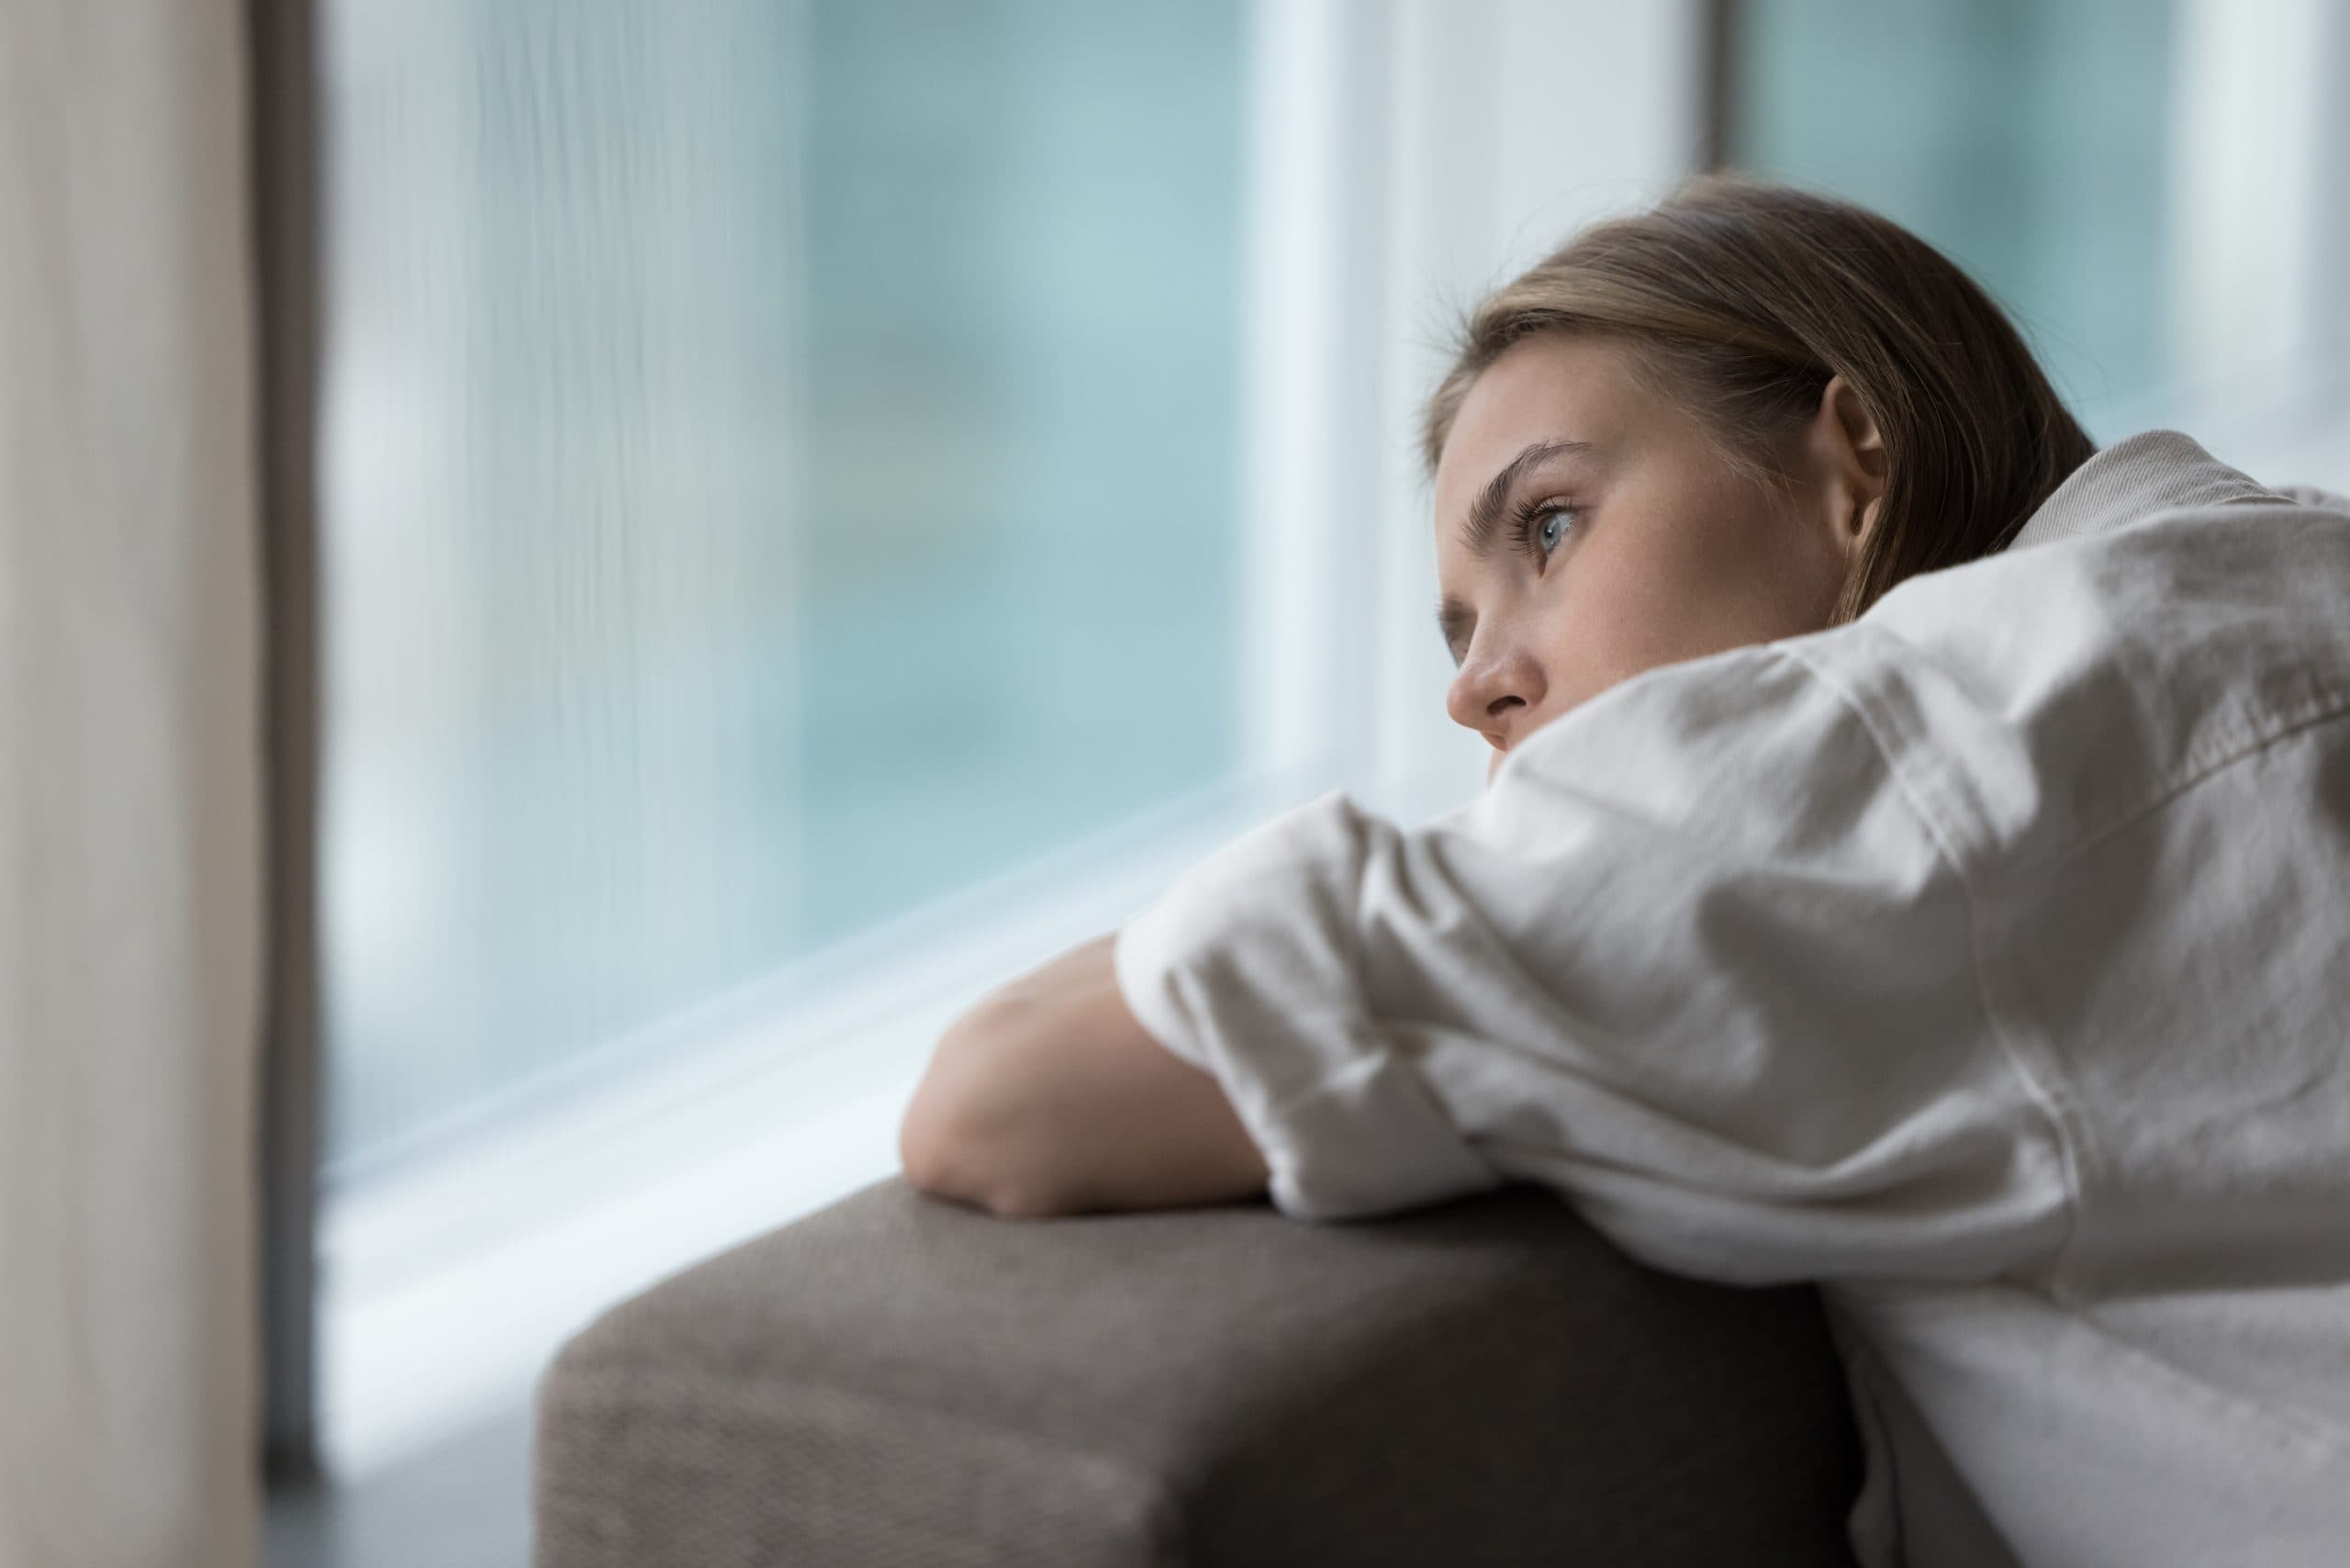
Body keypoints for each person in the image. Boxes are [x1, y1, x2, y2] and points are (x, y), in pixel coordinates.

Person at [899, 173, 2350, 1565]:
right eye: (1454, 634)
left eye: (1551, 525)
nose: (1472, 690)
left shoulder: (1930, 762)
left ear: (1856, 464)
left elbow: (1003, 1095)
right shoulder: (2260, 581)